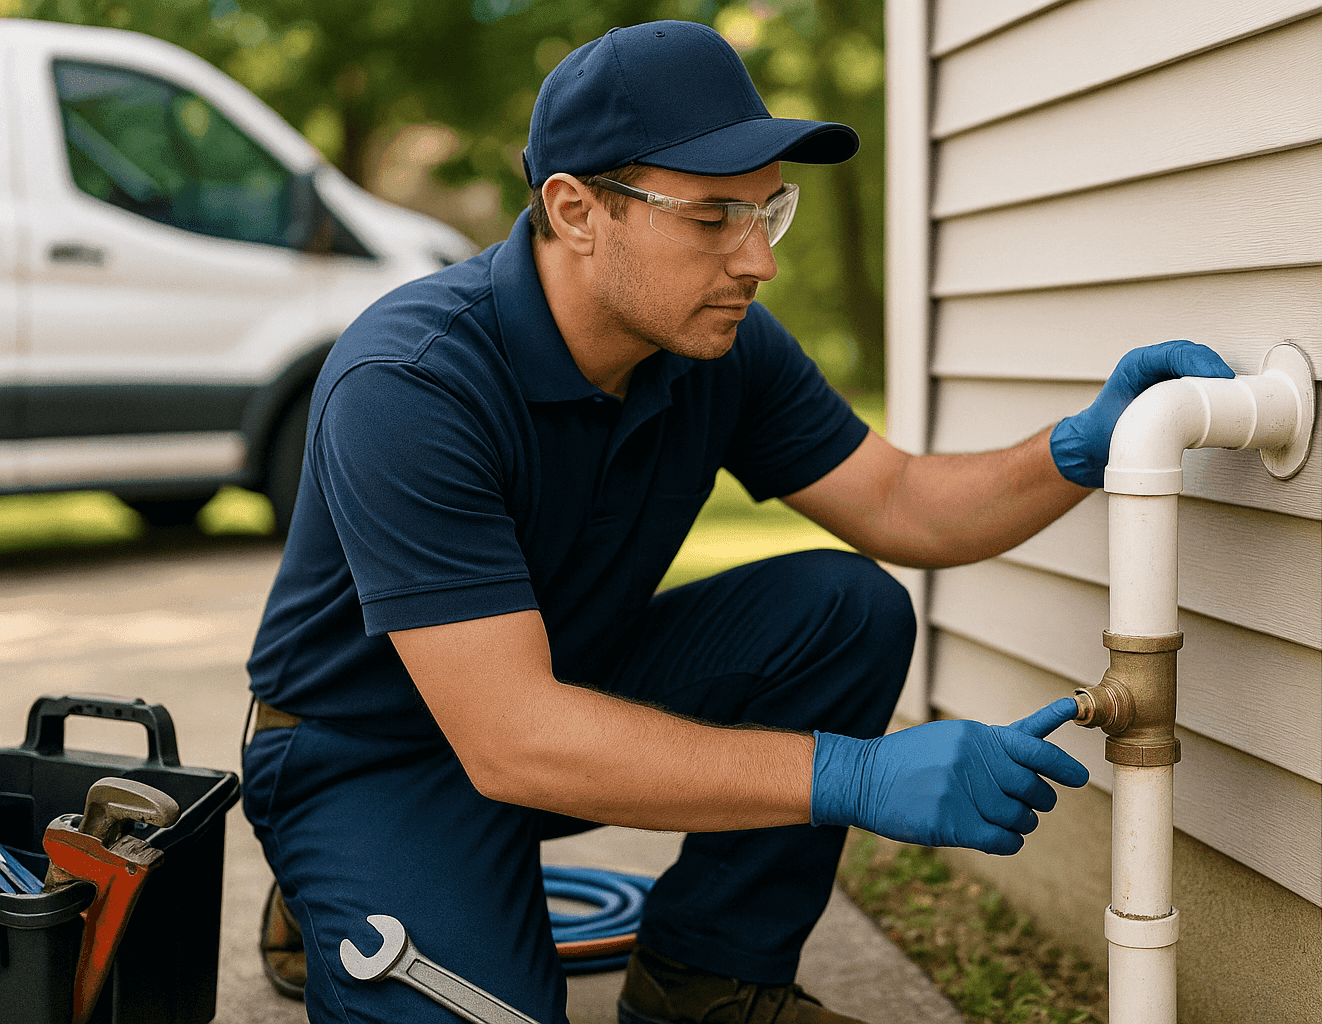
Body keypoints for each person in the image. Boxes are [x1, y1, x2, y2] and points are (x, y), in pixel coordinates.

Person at [242, 19, 1233, 1024]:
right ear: (577, 209)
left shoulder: (717, 343)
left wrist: (1081, 445)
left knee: (844, 610)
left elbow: (898, 503)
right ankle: (345, 872)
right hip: (370, 749)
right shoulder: (412, 383)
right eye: (714, 216)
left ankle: (708, 984)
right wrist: (853, 773)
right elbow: (512, 739)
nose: (758, 260)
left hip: (561, 694)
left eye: (769, 210)